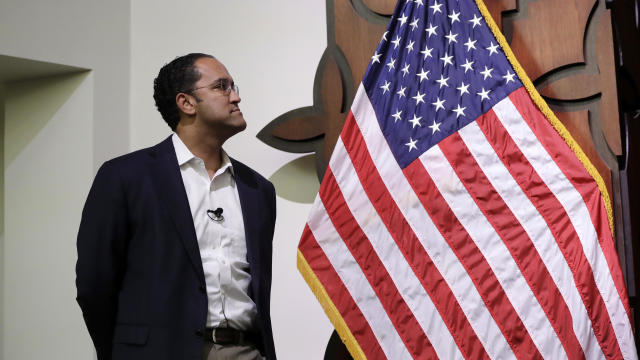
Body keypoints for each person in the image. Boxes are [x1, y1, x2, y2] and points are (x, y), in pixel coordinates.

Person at [76, 53, 277, 360]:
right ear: (186, 103)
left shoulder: (258, 189)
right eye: (222, 87)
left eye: (233, 86)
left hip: (245, 351)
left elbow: (258, 290)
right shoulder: (125, 177)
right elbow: (95, 285)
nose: (236, 96)